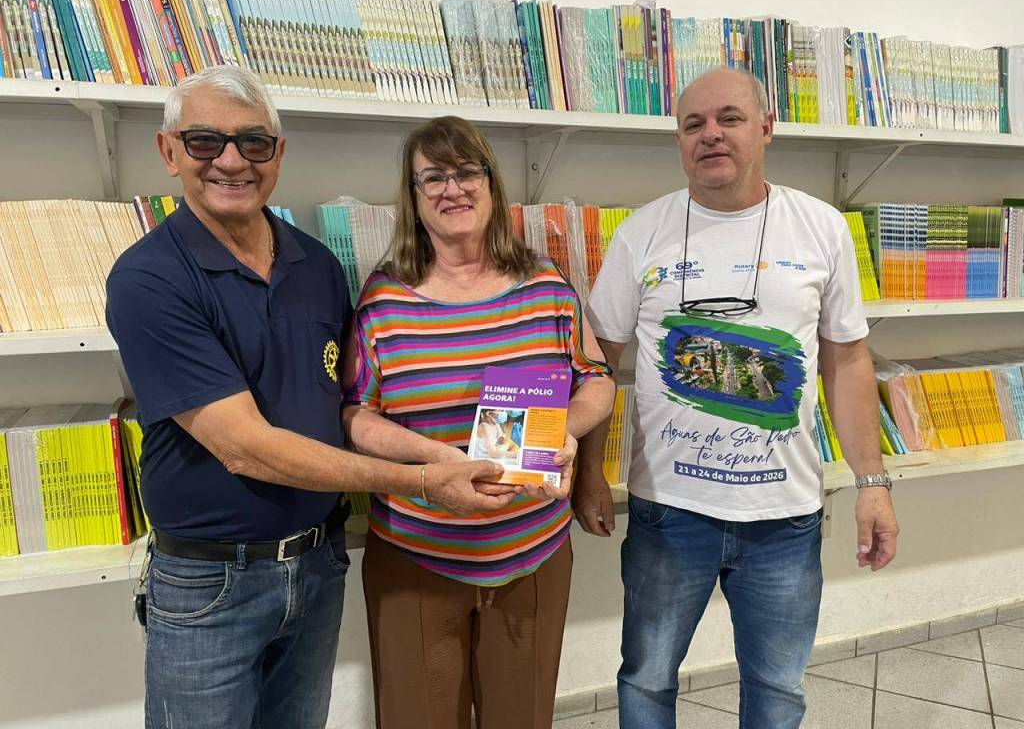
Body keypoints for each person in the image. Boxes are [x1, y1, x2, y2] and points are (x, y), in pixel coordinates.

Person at [105, 66, 512, 729]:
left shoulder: (317, 265)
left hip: (318, 565)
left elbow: (348, 406)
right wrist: (423, 480)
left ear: (278, 153)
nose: (231, 161)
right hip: (212, 582)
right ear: (169, 151)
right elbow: (245, 448)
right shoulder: (149, 279)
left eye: (253, 142)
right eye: (205, 141)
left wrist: (450, 450)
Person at [576, 68, 900, 729]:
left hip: (784, 518)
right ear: (678, 139)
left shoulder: (821, 227)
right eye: (693, 124)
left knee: (778, 690)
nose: (711, 135)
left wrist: (873, 484)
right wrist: (589, 474)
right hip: (669, 513)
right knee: (646, 679)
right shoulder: (641, 232)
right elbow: (597, 362)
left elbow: (847, 361)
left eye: (729, 118)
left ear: (767, 127)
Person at [342, 116, 615, 729]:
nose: (453, 188)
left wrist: (567, 429)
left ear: (491, 183)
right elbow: (357, 414)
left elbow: (596, 377)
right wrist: (437, 462)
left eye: (468, 172)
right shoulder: (383, 298)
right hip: (416, 556)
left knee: (522, 718)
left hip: (533, 552)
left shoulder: (545, 284)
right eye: (433, 177)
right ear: (413, 196)